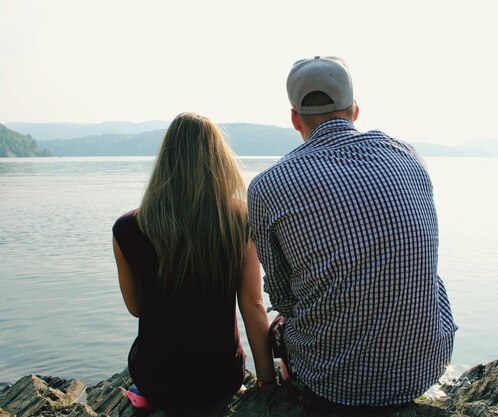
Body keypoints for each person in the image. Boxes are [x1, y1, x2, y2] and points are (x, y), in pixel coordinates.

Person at [247, 56, 457, 406]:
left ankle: (290, 393)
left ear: (295, 118)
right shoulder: (409, 157)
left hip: (334, 382)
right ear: (355, 110)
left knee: (282, 325)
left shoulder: (268, 186)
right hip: (425, 364)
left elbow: (284, 298)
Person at [112, 112, 275, 412]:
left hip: (154, 377)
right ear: (219, 160)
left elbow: (137, 308)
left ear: (165, 160)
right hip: (219, 378)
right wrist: (267, 380)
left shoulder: (126, 228)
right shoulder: (239, 221)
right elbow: (252, 305)